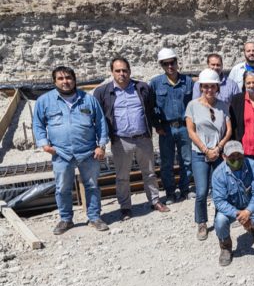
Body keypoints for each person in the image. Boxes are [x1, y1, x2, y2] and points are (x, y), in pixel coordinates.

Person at [33, 66, 109, 234]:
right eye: (60, 79)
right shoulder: (44, 101)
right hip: (61, 153)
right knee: (62, 188)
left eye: (68, 78)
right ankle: (66, 219)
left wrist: (101, 145)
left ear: (74, 80)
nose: (65, 81)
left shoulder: (88, 100)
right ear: (54, 81)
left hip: (88, 152)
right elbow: (38, 124)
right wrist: (44, 144)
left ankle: (94, 217)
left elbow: (101, 123)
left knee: (92, 186)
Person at [94, 57, 169, 220]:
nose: (122, 74)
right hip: (121, 141)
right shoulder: (103, 92)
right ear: (112, 72)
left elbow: (151, 108)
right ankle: (126, 207)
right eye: (118, 70)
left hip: (143, 138)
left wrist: (157, 126)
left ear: (130, 71)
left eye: (125, 70)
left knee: (149, 172)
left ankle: (155, 200)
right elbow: (98, 117)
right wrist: (101, 141)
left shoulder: (142, 88)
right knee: (122, 176)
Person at [211, 141, 254, 266]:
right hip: (231, 209)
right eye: (232, 157)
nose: (236, 159)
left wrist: (248, 212)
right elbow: (219, 201)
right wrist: (239, 214)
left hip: (251, 207)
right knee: (219, 221)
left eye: (239, 156)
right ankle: (226, 247)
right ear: (224, 157)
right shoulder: (218, 174)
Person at [186, 69, 233, 241]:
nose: (209, 90)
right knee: (202, 191)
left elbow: (229, 130)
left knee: (219, 190)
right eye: (205, 86)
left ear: (217, 88)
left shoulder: (223, 106)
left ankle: (220, 218)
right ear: (201, 87)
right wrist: (206, 150)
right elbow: (191, 131)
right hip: (200, 153)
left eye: (212, 86)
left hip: (218, 153)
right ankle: (201, 222)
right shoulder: (192, 105)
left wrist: (219, 147)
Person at [149, 48, 194, 204]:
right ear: (162, 65)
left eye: (172, 62)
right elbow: (151, 106)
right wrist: (156, 125)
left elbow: (193, 104)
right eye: (166, 63)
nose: (170, 66)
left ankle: (185, 190)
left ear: (176, 62)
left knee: (187, 161)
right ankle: (169, 193)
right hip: (166, 129)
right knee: (167, 163)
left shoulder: (187, 81)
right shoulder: (155, 84)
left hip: (184, 127)